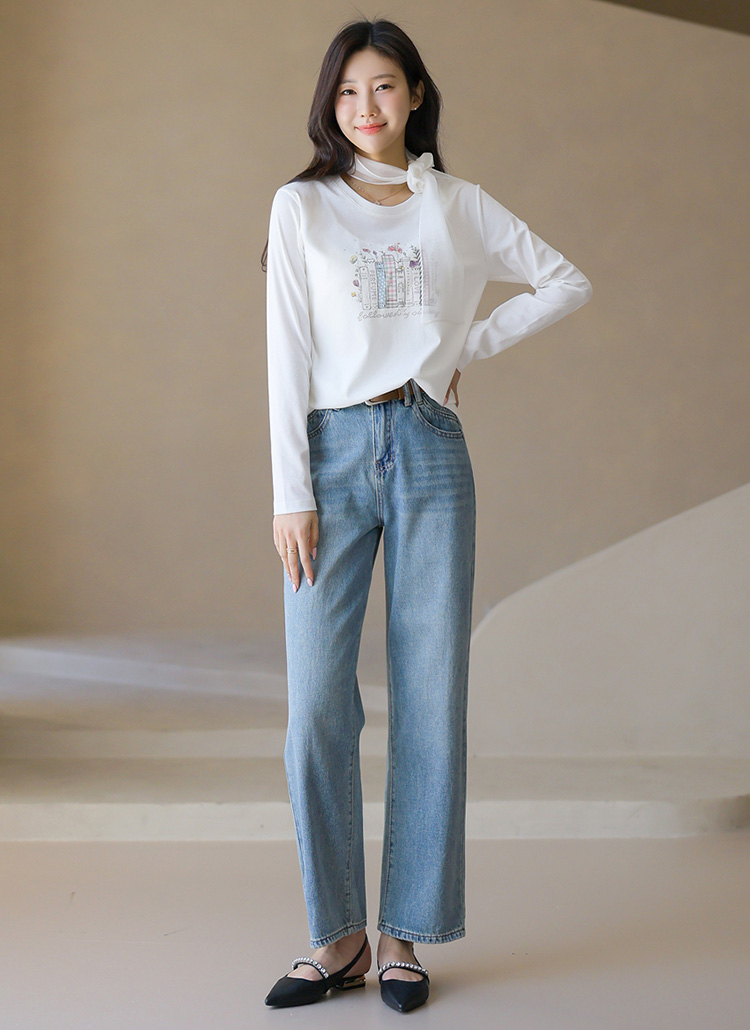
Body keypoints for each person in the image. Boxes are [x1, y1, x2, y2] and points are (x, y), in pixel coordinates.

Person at [261, 17, 592, 1014]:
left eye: (384, 86)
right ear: (329, 103)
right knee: (317, 702)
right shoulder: (302, 206)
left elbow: (566, 280)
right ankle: (338, 934)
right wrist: (290, 491)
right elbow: (285, 352)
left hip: (431, 447)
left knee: (431, 695)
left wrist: (462, 348)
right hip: (330, 452)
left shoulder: (458, 205)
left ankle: (403, 931)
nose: (366, 106)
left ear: (414, 95)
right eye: (348, 90)